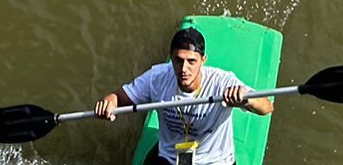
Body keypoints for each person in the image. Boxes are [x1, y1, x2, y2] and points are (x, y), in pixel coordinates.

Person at [95, 26, 272, 165]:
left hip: (214, 161)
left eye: (191, 61)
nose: (184, 69)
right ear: (171, 58)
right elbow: (119, 97)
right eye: (178, 60)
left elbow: (266, 107)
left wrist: (246, 99)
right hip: (169, 157)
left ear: (203, 60)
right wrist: (108, 102)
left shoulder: (222, 82)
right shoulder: (157, 77)